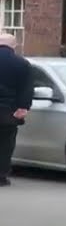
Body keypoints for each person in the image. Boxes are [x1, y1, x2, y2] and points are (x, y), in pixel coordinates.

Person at [0, 31, 34, 187]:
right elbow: (27, 89)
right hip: (8, 111)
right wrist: (23, 107)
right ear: (14, 46)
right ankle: (1, 176)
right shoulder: (22, 63)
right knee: (6, 144)